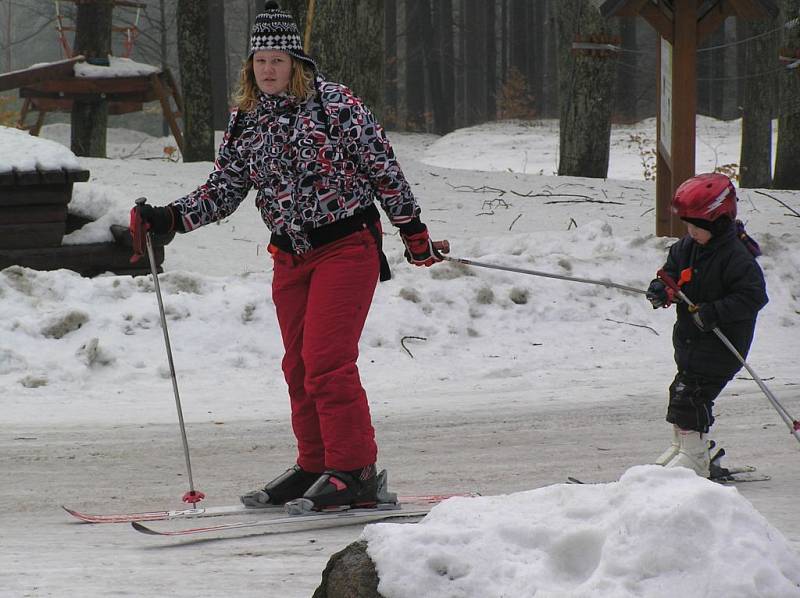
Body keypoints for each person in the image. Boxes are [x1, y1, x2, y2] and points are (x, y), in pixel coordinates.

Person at [129, 1, 444, 512]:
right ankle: (316, 464)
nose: (268, 69)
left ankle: (355, 470)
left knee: (327, 361)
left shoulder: (337, 106)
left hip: (346, 247)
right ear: (250, 68)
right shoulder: (246, 121)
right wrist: (166, 218)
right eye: (260, 60)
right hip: (289, 256)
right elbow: (223, 191)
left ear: (297, 62)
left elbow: (385, 170)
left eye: (278, 59)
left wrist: (413, 231)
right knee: (298, 365)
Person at [645, 173, 768, 477]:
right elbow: (670, 273)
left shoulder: (736, 257)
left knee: (692, 396)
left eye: (696, 227)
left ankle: (695, 459)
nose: (690, 232)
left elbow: (753, 296)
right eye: (687, 225)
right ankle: (688, 449)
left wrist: (714, 312)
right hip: (690, 343)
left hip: (721, 346)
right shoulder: (687, 248)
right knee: (681, 393)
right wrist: (662, 289)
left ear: (720, 222)